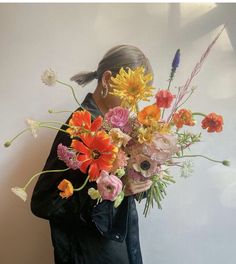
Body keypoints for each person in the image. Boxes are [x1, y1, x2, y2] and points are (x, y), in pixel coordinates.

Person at [31, 44, 154, 264]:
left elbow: (125, 195)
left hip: (116, 248)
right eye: (131, 92)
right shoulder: (79, 129)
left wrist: (142, 175)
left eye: (139, 94)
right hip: (88, 254)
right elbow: (43, 202)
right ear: (107, 80)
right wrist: (115, 192)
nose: (135, 102)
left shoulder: (119, 128)